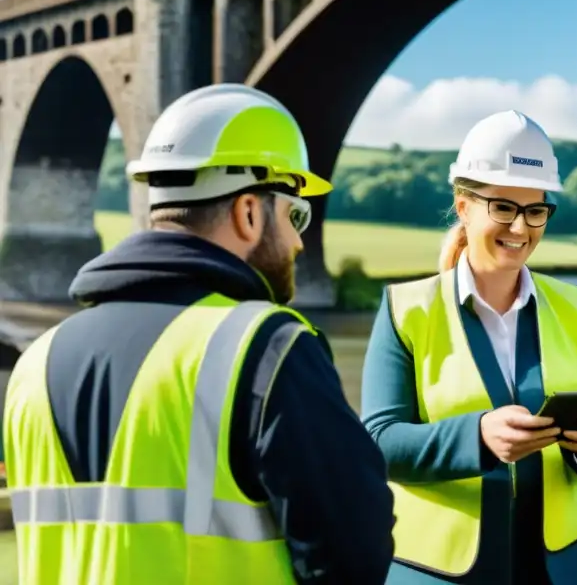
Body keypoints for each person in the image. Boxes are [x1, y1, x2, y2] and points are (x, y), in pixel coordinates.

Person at [2, 84, 395, 584]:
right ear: (249, 213)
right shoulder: (266, 349)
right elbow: (355, 555)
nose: (299, 240)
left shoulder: (34, 364)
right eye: (295, 215)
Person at [360, 110, 577, 585]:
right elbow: (379, 441)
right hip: (440, 570)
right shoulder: (406, 308)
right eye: (503, 207)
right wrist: (478, 437)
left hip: (556, 568)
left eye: (535, 211)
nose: (521, 229)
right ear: (464, 205)